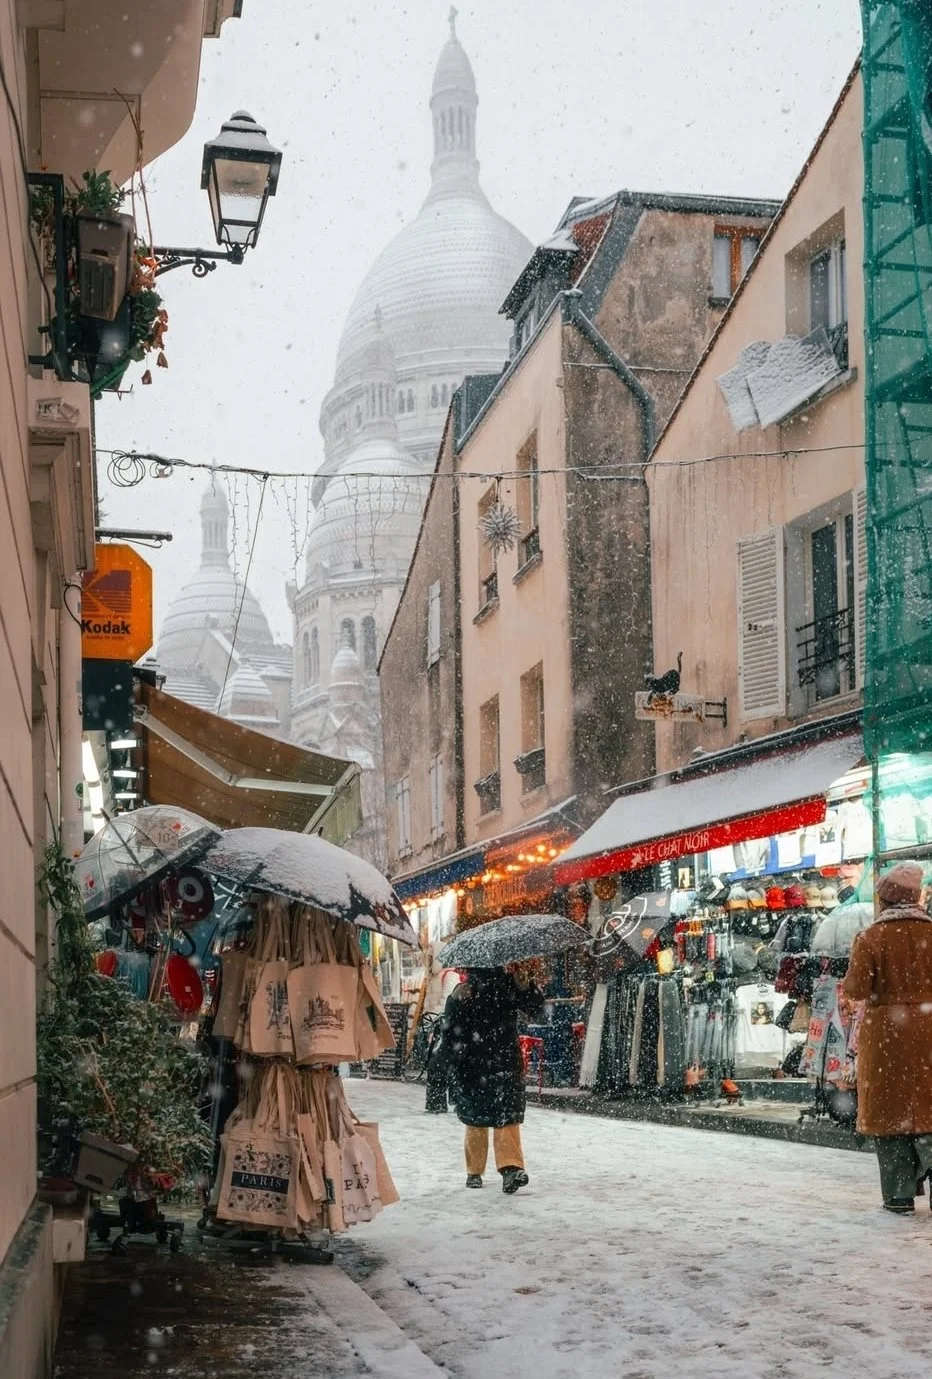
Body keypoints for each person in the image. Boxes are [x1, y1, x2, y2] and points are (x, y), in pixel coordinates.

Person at [843, 861, 932, 1214]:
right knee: (929, 1104)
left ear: (884, 900)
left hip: (887, 1035)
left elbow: (857, 987)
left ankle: (899, 1194)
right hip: (929, 1030)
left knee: (891, 1112)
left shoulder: (870, 938)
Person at [441, 965, 544, 1193]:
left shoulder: (508, 983)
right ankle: (475, 1170)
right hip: (477, 1061)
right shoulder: (468, 987)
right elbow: (449, 1027)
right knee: (477, 1118)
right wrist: (456, 1000)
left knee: (506, 1115)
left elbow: (536, 1008)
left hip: (501, 1060)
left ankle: (511, 1169)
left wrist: (525, 987)